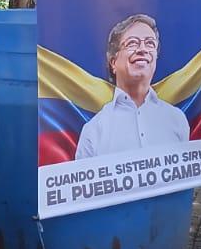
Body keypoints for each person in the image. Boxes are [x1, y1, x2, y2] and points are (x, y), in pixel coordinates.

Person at [76, 14, 189, 158]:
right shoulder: (93, 131)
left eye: (150, 43)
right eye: (132, 43)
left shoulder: (177, 119)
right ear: (113, 62)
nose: (143, 49)